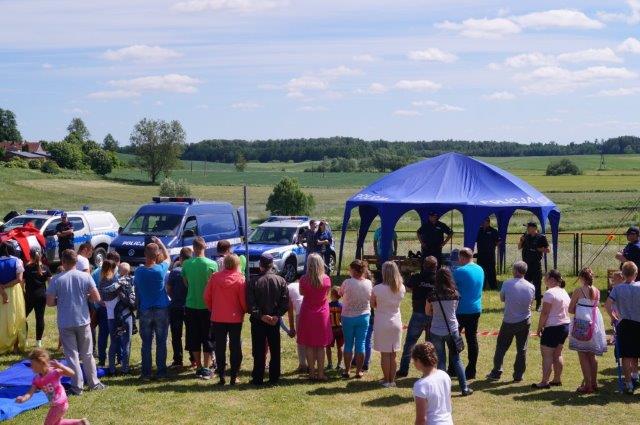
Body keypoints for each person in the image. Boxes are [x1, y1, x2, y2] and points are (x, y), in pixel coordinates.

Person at [46, 249, 104, 395]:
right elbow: (96, 298)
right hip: (83, 320)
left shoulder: (56, 279)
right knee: (87, 354)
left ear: (63, 262)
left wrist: (61, 300)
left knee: (72, 356)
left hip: (65, 321)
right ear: (76, 262)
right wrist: (85, 297)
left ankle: (77, 387)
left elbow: (50, 302)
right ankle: (94, 383)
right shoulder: (86, 276)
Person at [426, 268, 472, 396]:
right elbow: (454, 310)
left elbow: (427, 312)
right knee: (456, 359)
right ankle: (464, 388)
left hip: (436, 330)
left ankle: (443, 389)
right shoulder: (455, 294)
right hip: (452, 330)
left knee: (441, 360)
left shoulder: (432, 295)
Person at [486, 261, 534, 382]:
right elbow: (531, 302)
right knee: (522, 349)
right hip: (524, 320)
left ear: (516, 271)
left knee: (501, 347)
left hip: (509, 320)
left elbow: (502, 298)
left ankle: (496, 372)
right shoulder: (531, 286)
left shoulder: (507, 283)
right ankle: (518, 375)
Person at [15, 348, 90, 425]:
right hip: (57, 404)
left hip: (60, 403)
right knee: (57, 423)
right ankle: (80, 422)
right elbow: (30, 393)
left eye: (33, 364)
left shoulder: (54, 372)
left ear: (41, 362)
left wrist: (61, 366)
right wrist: (23, 398)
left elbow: (72, 373)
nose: (31, 367)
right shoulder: (36, 379)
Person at [246, 253, 289, 385]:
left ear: (260, 265)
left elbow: (251, 304)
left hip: (258, 321)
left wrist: (261, 315)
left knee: (258, 349)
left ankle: (258, 377)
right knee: (275, 349)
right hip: (273, 321)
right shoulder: (281, 281)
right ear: (272, 265)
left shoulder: (253, 281)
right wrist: (277, 315)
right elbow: (285, 302)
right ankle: (274, 377)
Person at [204, 254, 247, 385]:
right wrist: (244, 310)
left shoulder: (215, 277)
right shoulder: (240, 279)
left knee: (220, 347)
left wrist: (213, 308)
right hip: (235, 318)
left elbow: (206, 296)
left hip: (218, 317)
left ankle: (221, 376)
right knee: (235, 347)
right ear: (237, 264)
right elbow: (243, 300)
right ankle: (234, 376)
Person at [133, 237, 171, 381]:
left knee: (146, 343)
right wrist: (161, 244)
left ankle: (146, 373)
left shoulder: (139, 272)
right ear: (157, 255)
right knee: (161, 342)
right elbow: (168, 258)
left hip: (145, 309)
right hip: (161, 309)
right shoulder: (160, 269)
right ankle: (161, 372)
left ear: (145, 254)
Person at [181, 237, 218, 380]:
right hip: (207, 306)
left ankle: (198, 367)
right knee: (207, 337)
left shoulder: (186, 264)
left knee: (193, 336)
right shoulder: (212, 264)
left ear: (194, 248)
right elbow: (214, 286)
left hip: (191, 304)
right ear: (205, 247)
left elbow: (186, 283)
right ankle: (206, 367)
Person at [568, 267, 607, 394]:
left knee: (582, 354)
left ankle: (588, 385)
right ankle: (594, 383)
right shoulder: (597, 291)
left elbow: (570, 309)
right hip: (594, 325)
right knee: (592, 355)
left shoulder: (578, 291)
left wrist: (580, 309)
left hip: (581, 324)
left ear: (581, 278)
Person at [397, 256, 437, 378]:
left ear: (423, 265)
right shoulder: (438, 279)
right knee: (431, 345)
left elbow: (408, 287)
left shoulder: (417, 277)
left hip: (418, 313)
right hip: (433, 314)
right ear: (435, 267)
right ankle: (430, 371)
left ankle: (403, 369)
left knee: (410, 343)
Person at [605, 261, 640, 394]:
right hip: (638, 322)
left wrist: (613, 316)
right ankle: (635, 376)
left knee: (626, 354)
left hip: (625, 324)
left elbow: (608, 304)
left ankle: (629, 383)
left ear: (623, 274)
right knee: (636, 352)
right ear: (636, 273)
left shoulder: (618, 289)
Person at [532, 269, 570, 389]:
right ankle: (557, 379)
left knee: (547, 355)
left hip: (553, 327)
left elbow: (545, 313)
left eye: (545, 278)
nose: (544, 280)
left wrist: (539, 328)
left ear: (552, 279)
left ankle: (544, 381)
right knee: (558, 354)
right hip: (565, 325)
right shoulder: (564, 292)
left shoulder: (549, 293)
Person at [296, 253, 333, 380]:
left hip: (307, 312)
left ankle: (311, 373)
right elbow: (327, 293)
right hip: (322, 314)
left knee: (309, 344)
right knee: (321, 345)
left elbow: (301, 293)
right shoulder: (326, 279)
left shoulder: (303, 279)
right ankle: (321, 374)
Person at [372, 261, 405, 388]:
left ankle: (387, 380)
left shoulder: (377, 288)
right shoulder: (401, 287)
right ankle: (392, 380)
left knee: (385, 354)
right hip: (396, 321)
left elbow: (373, 304)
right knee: (393, 354)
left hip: (382, 321)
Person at [452, 247, 484, 380]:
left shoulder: (459, 271)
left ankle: (453, 368)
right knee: (472, 339)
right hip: (475, 309)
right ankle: (471, 370)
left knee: (454, 339)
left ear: (462, 257)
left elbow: (451, 287)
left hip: (460, 310)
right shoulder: (480, 269)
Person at [339, 259, 373, 379]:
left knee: (348, 344)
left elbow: (340, 293)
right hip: (364, 316)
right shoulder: (368, 283)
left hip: (348, 316)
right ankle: (358, 371)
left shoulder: (347, 282)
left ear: (353, 270)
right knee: (361, 343)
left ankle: (347, 370)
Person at [412, 342, 453, 425]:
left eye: (413, 360)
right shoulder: (444, 375)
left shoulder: (420, 385)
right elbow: (449, 403)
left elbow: (421, 419)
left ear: (418, 361)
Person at [90, 251, 119, 367]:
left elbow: (92, 290)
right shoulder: (115, 274)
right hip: (113, 308)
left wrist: (98, 302)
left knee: (103, 334)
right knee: (116, 334)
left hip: (101, 307)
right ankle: (119, 358)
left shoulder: (96, 273)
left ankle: (102, 359)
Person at [165, 247, 192, 368]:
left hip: (176, 306)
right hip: (190, 305)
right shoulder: (192, 270)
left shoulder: (175, 272)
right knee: (191, 333)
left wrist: (174, 297)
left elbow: (169, 289)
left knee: (176, 335)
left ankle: (178, 360)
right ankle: (193, 358)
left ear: (180, 258)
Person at [0, 242, 27, 354]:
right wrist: (7, 286)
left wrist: (2, 288)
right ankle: (15, 347)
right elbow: (19, 279)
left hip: (0, 291)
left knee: (2, 318)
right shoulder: (17, 261)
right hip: (14, 292)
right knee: (16, 317)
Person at [518, 222, 550, 311]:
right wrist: (521, 241)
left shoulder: (541, 237)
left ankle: (538, 304)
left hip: (536, 264)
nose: (527, 229)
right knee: (525, 284)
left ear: (534, 228)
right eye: (527, 227)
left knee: (537, 284)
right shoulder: (526, 236)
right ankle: (525, 303)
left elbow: (548, 250)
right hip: (526, 265)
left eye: (528, 227)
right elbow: (519, 247)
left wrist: (539, 249)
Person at [24, 248, 51, 348]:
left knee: (22, 317)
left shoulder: (27, 268)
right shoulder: (46, 268)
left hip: (29, 296)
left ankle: (24, 339)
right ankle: (38, 342)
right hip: (41, 296)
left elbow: (22, 282)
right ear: (41, 255)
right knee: (39, 318)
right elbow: (50, 283)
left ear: (30, 256)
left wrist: (23, 293)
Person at [287, 279, 307, 372]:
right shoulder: (301, 285)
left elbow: (290, 311)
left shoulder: (288, 288)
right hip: (311, 310)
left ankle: (302, 365)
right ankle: (312, 363)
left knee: (301, 340)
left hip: (301, 312)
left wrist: (292, 328)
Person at [476, 217, 501, 290]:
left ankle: (493, 287)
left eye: (483, 221)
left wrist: (492, 246)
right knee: (480, 270)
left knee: (491, 271)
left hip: (490, 255)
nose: (481, 223)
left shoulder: (493, 231)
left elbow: (499, 241)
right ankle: (481, 286)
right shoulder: (479, 230)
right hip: (480, 255)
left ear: (488, 222)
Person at [326, 287, 344, 371]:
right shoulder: (341, 306)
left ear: (332, 295)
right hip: (340, 329)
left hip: (330, 329)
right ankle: (339, 364)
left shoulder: (327, 306)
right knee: (339, 347)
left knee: (328, 347)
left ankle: (330, 363)